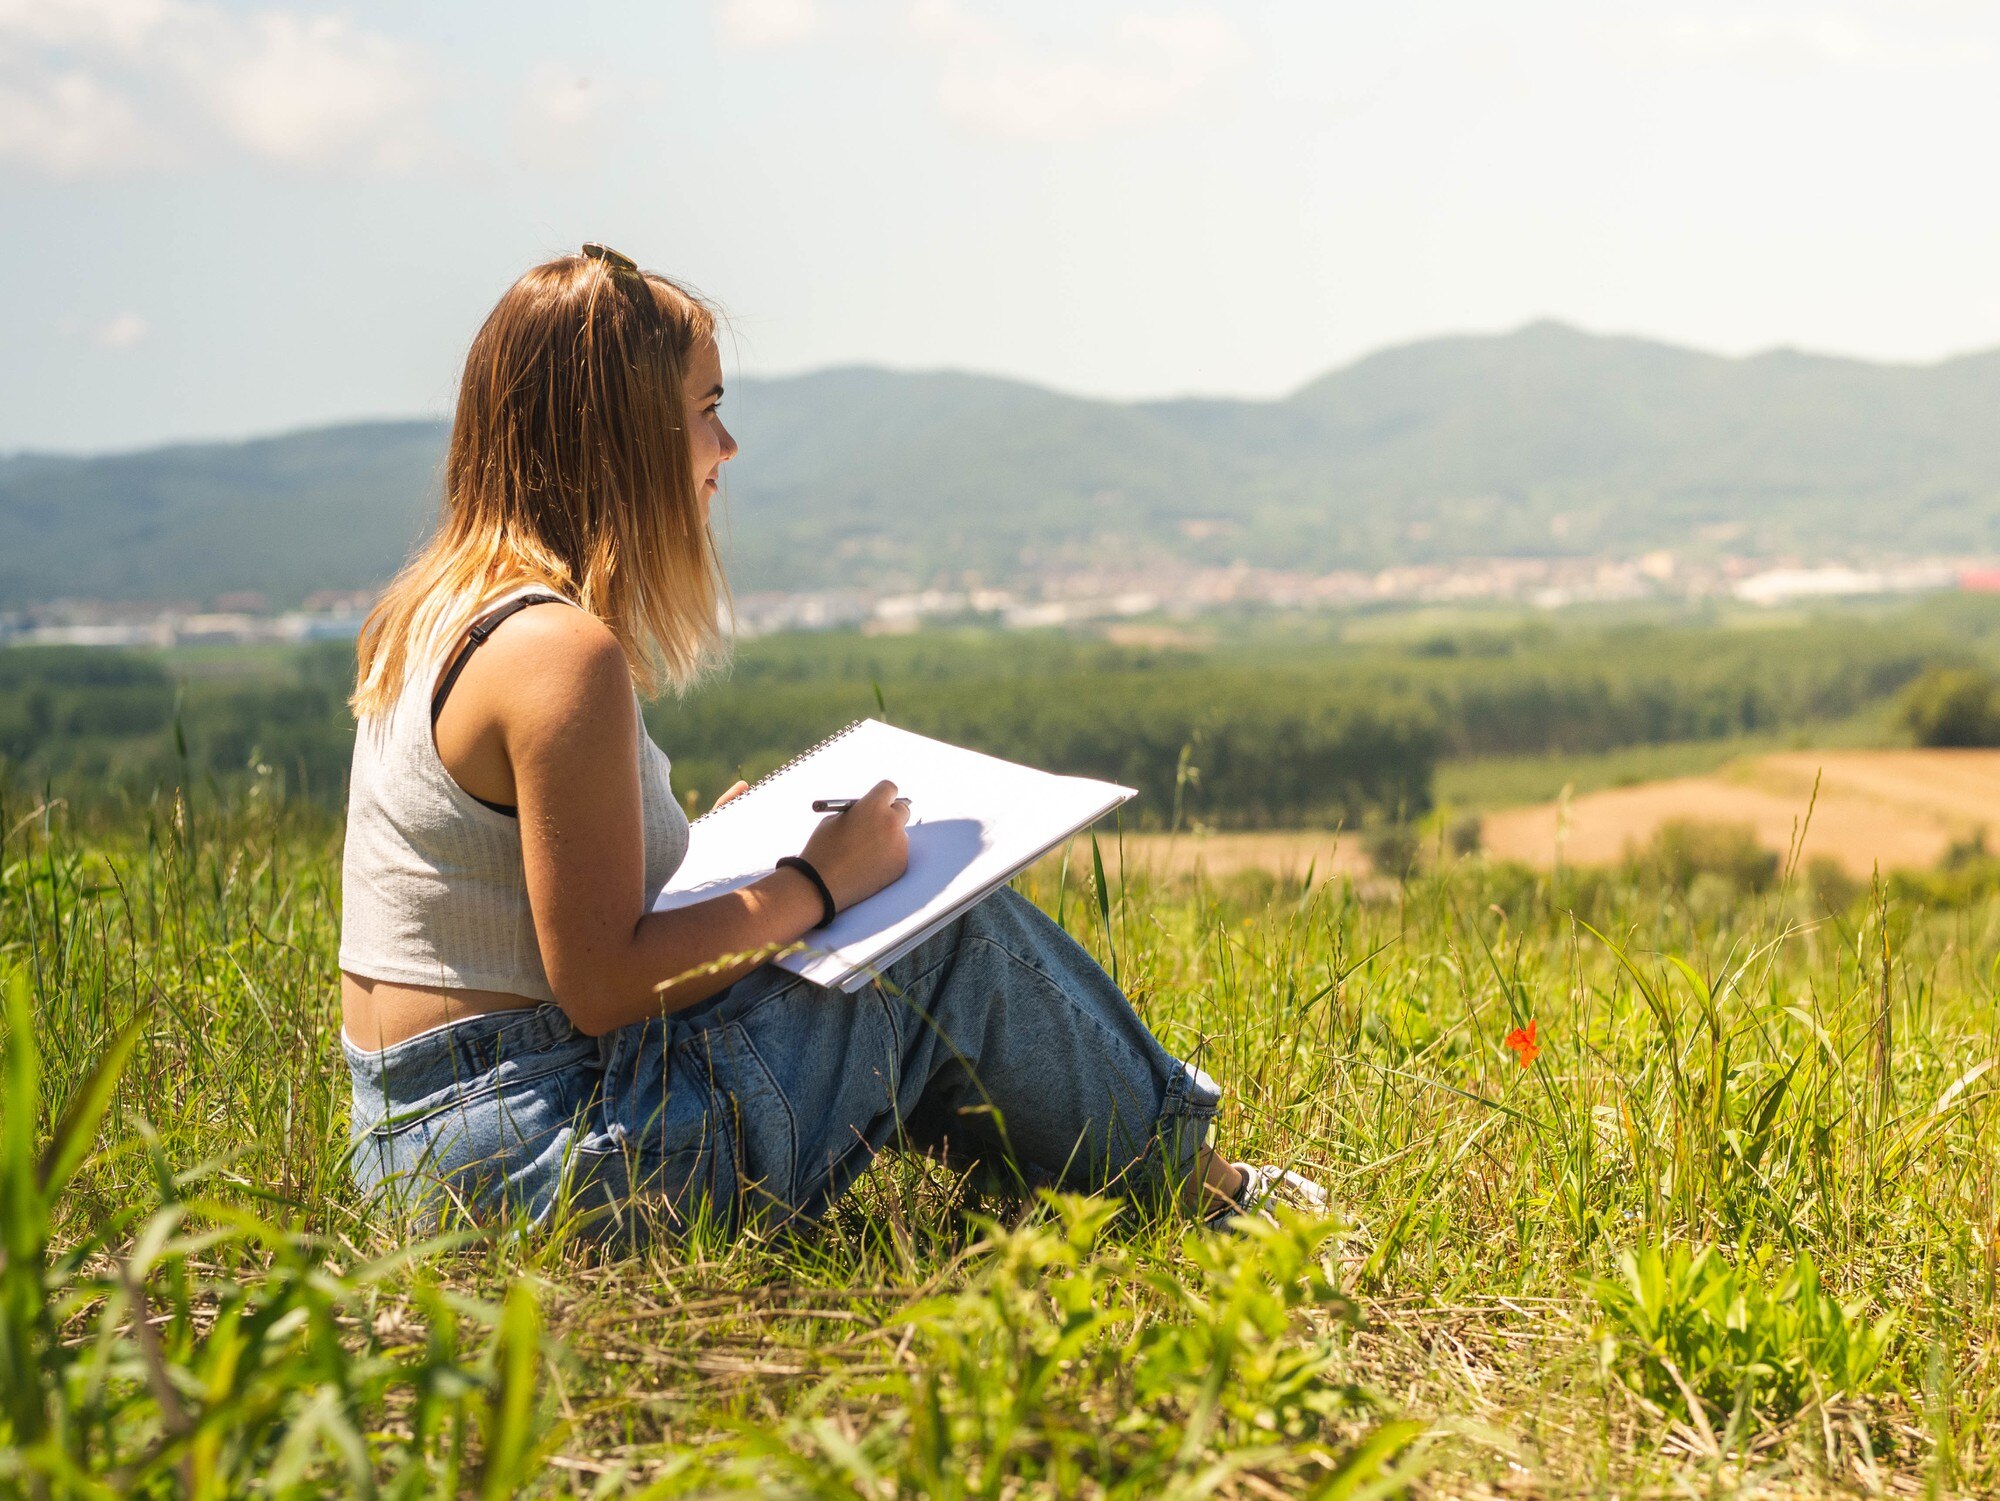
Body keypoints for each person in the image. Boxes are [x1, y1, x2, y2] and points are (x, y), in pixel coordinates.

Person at [338, 243, 1327, 1243]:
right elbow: (599, 985)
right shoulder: (559, 652)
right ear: (627, 434)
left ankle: (1083, 1177)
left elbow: (524, 929)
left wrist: (705, 858)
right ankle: (1197, 1193)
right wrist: (814, 888)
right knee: (948, 934)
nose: (725, 446)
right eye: (704, 408)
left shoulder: (439, 615)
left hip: (430, 1157)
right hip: (543, 1167)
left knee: (881, 935)